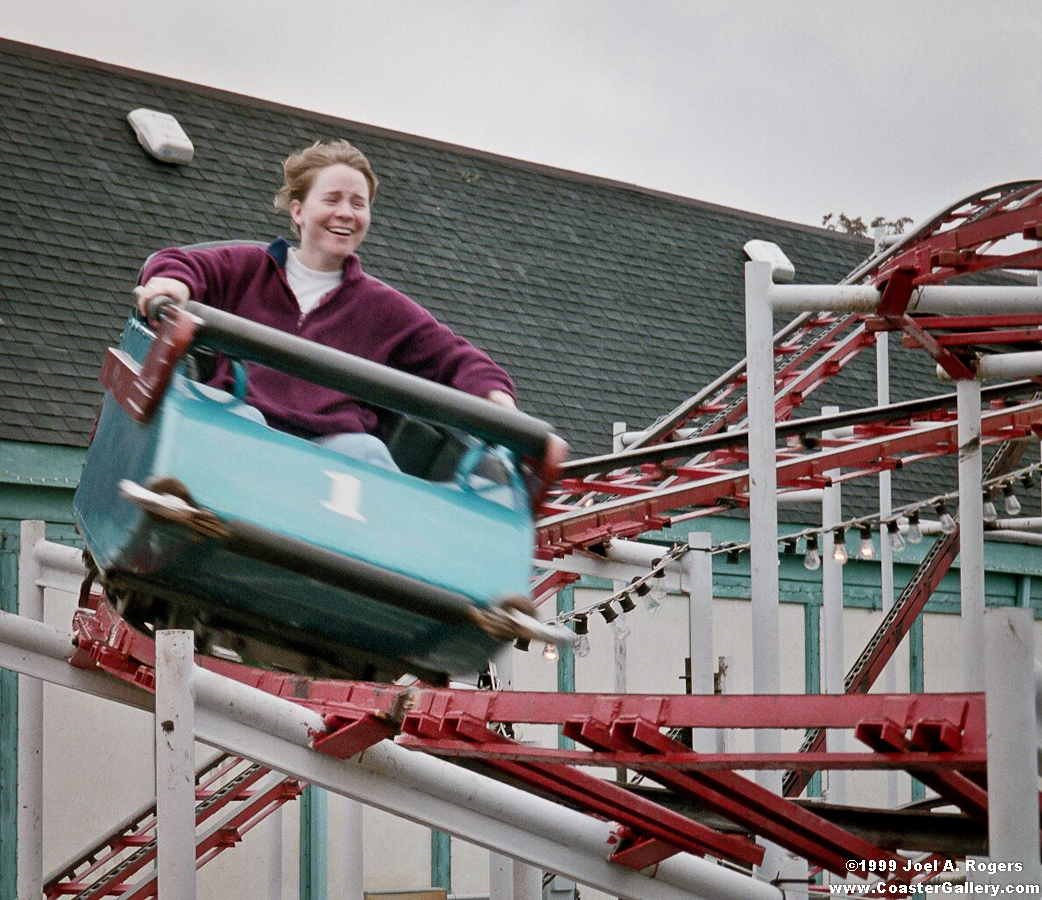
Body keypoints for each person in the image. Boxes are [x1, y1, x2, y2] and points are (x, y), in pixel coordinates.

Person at [135, 139, 517, 470]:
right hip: (245, 422)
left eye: (358, 204)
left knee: (367, 451)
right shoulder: (248, 268)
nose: (346, 213)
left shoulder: (382, 309)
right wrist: (172, 287)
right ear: (298, 211)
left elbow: (456, 358)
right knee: (230, 418)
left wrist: (498, 402)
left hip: (332, 453)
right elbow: (177, 264)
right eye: (332, 199)